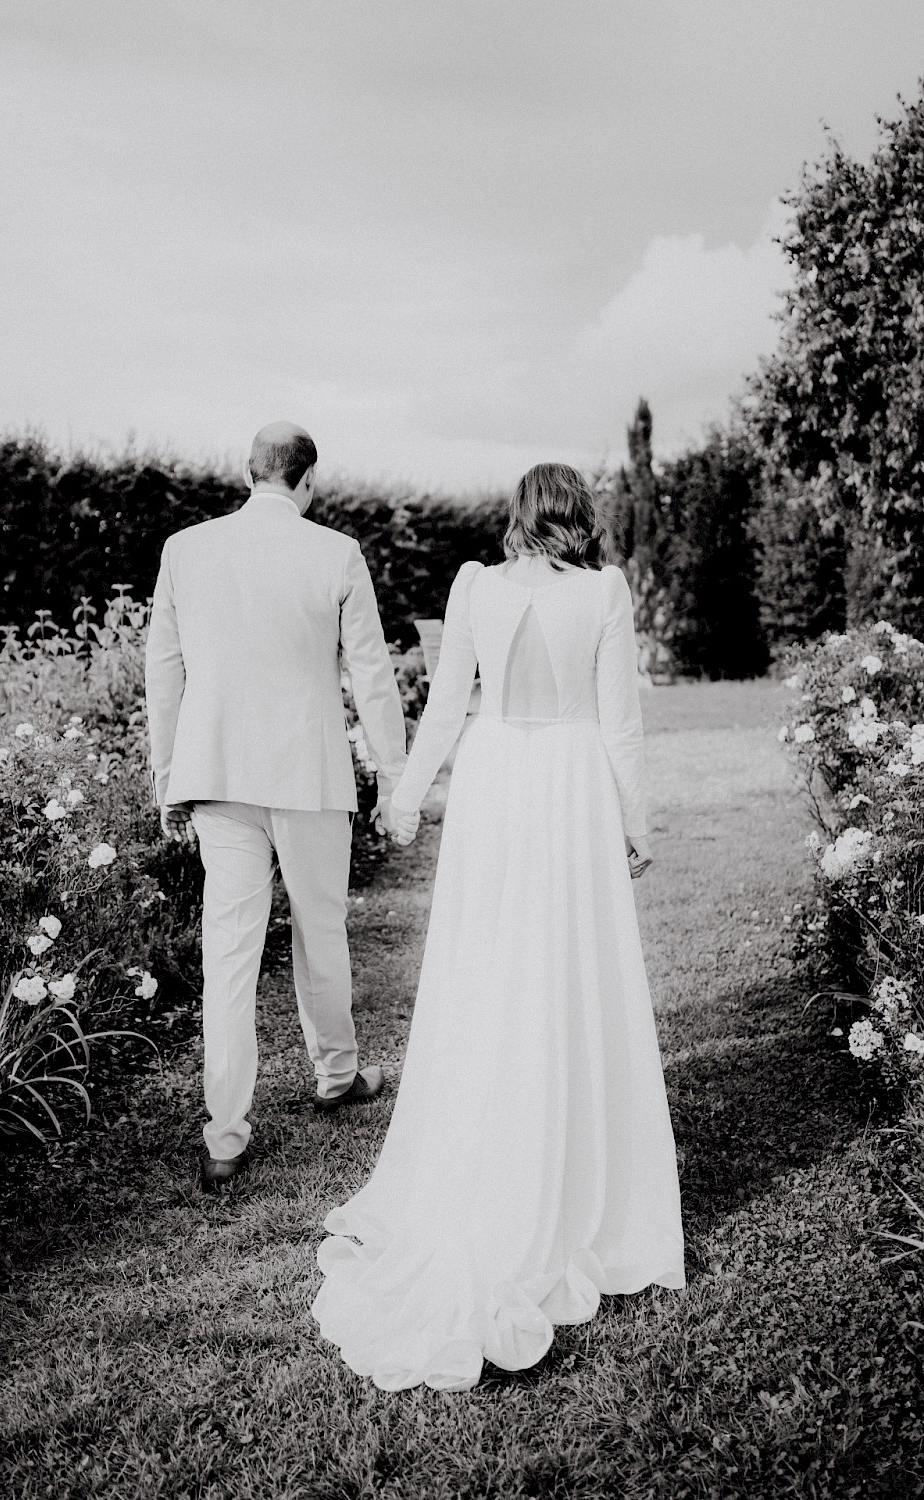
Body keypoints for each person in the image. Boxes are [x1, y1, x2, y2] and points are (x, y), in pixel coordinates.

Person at [312, 462, 685, 1390]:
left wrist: (407, 796)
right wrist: (636, 823)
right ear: (580, 517)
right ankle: (569, 1151)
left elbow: (447, 706)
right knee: (569, 965)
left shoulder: (475, 584)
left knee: (487, 966)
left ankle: (492, 1129)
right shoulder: (603, 591)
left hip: (493, 779)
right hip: (569, 780)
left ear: (519, 516)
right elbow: (620, 722)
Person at [145, 422, 408, 1190]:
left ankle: (224, 1136)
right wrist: (393, 776)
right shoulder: (337, 552)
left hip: (219, 774)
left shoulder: (185, 549)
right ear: (308, 479)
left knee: (229, 953)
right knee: (320, 930)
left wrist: (169, 775)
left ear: (248, 472)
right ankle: (336, 1075)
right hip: (309, 773)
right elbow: (372, 675)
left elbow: (163, 668)